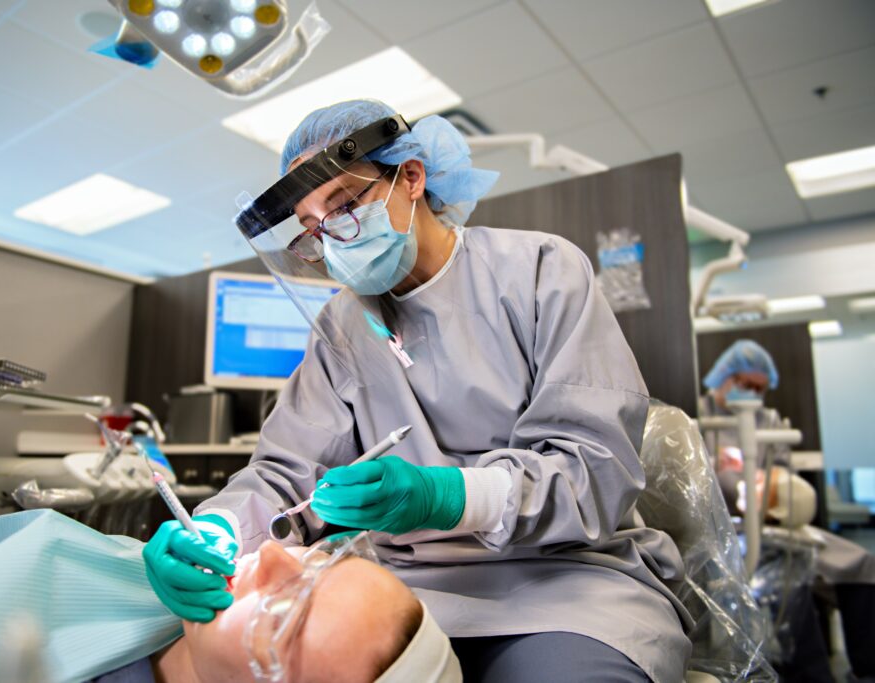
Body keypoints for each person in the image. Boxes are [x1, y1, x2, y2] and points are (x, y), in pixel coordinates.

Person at [145, 99, 692, 682]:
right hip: (401, 589)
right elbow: (285, 472)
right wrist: (218, 528)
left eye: (345, 206)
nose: (333, 242)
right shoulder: (342, 324)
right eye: (312, 231)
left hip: (567, 582)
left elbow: (595, 469)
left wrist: (445, 495)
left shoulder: (538, 270)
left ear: (411, 176)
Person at [0, 505, 458, 683]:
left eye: (287, 611)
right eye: (317, 562)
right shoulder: (172, 605)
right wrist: (223, 519)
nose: (271, 553)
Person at [699, 339, 875, 681]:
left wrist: (770, 490)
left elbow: (782, 473)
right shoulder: (699, 418)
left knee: (861, 563)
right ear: (724, 376)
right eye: (744, 384)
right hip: (729, 527)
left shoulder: (770, 421)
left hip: (776, 520)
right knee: (787, 586)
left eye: (758, 388)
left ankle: (868, 667)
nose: (751, 393)